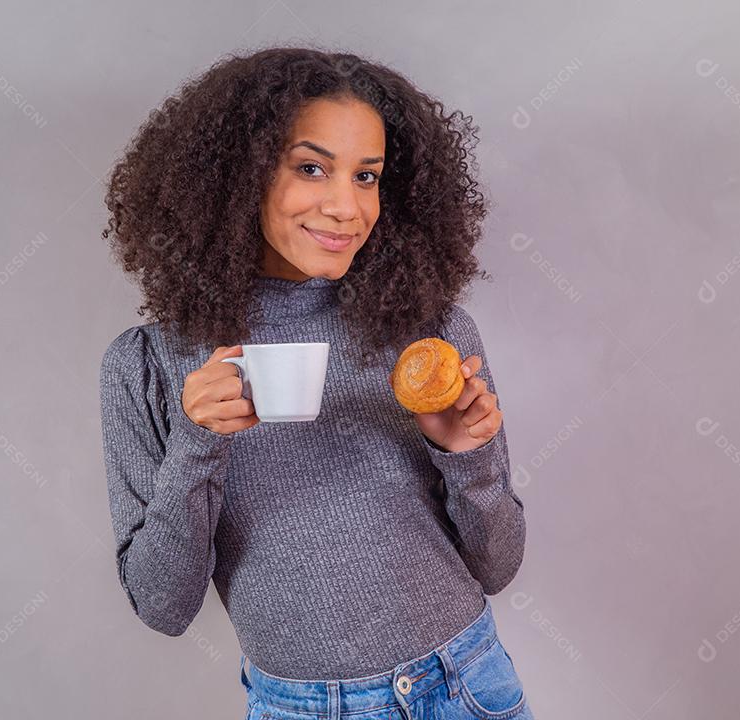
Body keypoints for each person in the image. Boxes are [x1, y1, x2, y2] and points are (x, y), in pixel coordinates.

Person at [99, 46, 534, 720]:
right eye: (311, 168)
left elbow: (498, 567)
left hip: (465, 685)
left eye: (367, 176)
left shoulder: (430, 333)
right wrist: (198, 445)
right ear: (234, 179)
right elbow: (163, 607)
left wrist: (465, 454)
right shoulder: (149, 367)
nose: (346, 207)